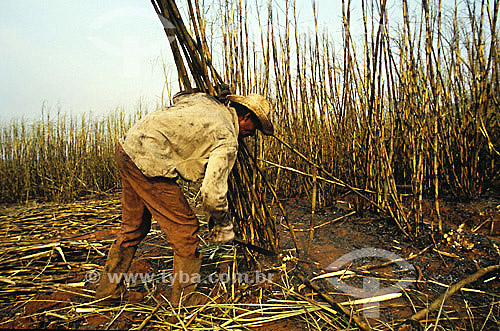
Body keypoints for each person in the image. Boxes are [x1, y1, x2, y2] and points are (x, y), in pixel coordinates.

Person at [94, 92, 273, 307]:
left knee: (134, 226)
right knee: (186, 229)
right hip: (149, 161)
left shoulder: (206, 102)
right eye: (254, 128)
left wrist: (214, 94)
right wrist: (224, 226)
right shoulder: (227, 138)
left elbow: (180, 96)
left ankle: (108, 291)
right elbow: (212, 194)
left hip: (128, 147)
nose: (251, 135)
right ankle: (185, 300)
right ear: (246, 117)